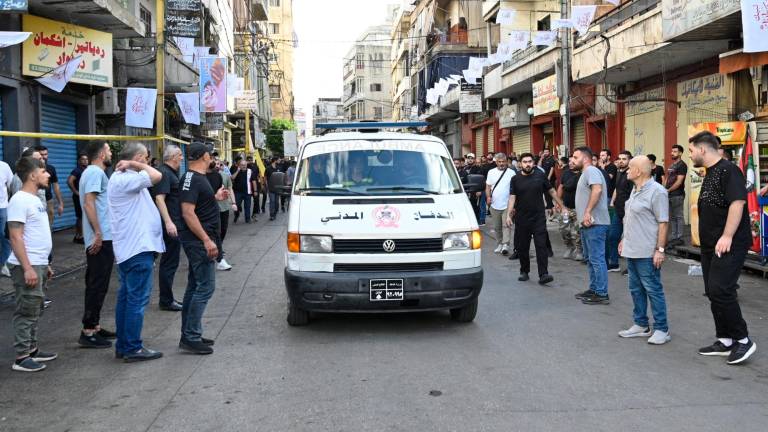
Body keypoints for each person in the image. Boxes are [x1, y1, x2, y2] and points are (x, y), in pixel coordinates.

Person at [688, 131, 756, 365]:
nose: (690, 155)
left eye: (691, 150)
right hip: (710, 245)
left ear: (702, 149)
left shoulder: (729, 170)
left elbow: (738, 203)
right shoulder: (710, 172)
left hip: (729, 243)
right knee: (712, 290)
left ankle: (743, 339)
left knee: (721, 290)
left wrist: (727, 236)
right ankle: (725, 339)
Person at [108, 142, 164, 362]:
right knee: (136, 300)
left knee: (127, 298)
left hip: (130, 249)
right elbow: (157, 176)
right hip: (137, 249)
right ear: (140, 158)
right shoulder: (127, 178)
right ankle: (132, 347)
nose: (148, 162)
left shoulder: (121, 179)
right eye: (146, 158)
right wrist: (134, 163)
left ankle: (124, 344)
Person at [178, 143, 229, 355]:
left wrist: (214, 198)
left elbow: (196, 205)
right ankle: (191, 336)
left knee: (194, 286)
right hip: (200, 241)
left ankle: (190, 334)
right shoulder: (192, 179)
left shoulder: (194, 178)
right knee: (205, 287)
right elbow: (188, 213)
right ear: (204, 156)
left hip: (200, 239)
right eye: (210, 154)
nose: (212, 157)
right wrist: (207, 240)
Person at [7, 157, 56, 372]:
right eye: (43, 171)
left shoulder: (35, 199)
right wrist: (27, 267)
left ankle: (32, 350)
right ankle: (21, 357)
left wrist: (45, 265)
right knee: (27, 309)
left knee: (35, 308)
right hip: (27, 265)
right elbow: (15, 236)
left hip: (39, 262)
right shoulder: (19, 200)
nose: (48, 174)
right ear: (32, 175)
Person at [618, 156, 670, 345]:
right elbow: (630, 217)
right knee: (635, 288)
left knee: (653, 289)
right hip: (632, 249)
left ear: (638, 171)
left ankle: (662, 329)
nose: (627, 170)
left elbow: (663, 222)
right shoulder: (635, 189)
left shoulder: (657, 192)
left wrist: (660, 250)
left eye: (630, 167)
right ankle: (641, 324)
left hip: (647, 251)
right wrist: (624, 239)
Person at [78, 142, 116, 349]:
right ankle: (88, 331)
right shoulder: (94, 172)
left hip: (104, 237)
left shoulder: (95, 172)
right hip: (101, 239)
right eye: (109, 150)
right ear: (102, 154)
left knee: (99, 284)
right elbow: (88, 203)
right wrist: (98, 233)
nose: (111, 153)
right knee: (97, 285)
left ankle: (95, 325)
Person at [505, 153, 562, 284]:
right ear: (520, 164)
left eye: (530, 161)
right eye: (524, 162)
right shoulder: (515, 179)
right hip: (522, 218)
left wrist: (561, 205)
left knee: (541, 246)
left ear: (533, 163)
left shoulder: (540, 176)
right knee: (522, 247)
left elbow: (551, 191)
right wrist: (509, 215)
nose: (527, 164)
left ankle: (544, 274)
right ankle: (524, 271)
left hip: (538, 218)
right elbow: (512, 197)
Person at [572, 147, 611, 305]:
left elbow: (597, 189)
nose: (572, 160)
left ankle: (601, 293)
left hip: (596, 223)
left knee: (597, 259)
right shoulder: (585, 173)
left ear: (585, 159)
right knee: (590, 259)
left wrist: (587, 212)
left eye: (575, 157)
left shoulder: (591, 171)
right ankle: (594, 288)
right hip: (587, 224)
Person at [153, 145, 184, 312]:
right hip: (170, 225)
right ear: (172, 156)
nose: (182, 158)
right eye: (180, 155)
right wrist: (168, 222)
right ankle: (166, 300)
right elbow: (159, 198)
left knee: (171, 262)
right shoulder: (164, 173)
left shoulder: (170, 173)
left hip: (175, 223)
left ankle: (167, 298)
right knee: (169, 263)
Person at [207, 159, 237, 271]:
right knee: (215, 232)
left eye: (220, 164)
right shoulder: (202, 176)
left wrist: (233, 202)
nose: (218, 165)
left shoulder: (222, 176)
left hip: (223, 207)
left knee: (222, 230)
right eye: (216, 163)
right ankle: (218, 256)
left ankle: (218, 250)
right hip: (211, 210)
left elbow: (229, 189)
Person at [607, 151, 633, 273]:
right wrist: (612, 201)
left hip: (630, 213)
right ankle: (614, 263)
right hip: (618, 211)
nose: (621, 161)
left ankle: (632, 268)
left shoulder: (631, 174)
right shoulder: (619, 172)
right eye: (620, 158)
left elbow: (634, 194)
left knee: (630, 240)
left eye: (624, 159)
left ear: (630, 160)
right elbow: (617, 190)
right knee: (613, 236)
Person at [485, 153, 514, 255]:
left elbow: (515, 190)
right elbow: (488, 187)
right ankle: (499, 244)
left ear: (506, 162)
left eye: (503, 162)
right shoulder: (491, 172)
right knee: (497, 226)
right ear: (496, 162)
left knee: (506, 225)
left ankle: (506, 244)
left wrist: (514, 205)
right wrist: (488, 197)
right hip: (494, 204)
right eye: (499, 162)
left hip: (507, 204)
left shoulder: (511, 173)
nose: (501, 164)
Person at [558, 156, 582, 261]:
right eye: (570, 162)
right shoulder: (566, 173)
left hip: (578, 208)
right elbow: (560, 187)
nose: (571, 163)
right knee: (563, 229)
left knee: (577, 232)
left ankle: (579, 250)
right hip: (565, 208)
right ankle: (569, 247)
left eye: (574, 161)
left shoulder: (583, 174)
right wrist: (558, 203)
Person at [33, 145, 64, 228]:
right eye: (41, 155)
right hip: (35, 200)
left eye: (45, 154)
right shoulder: (31, 169)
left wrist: (60, 203)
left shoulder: (51, 168)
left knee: (49, 222)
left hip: (48, 200)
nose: (44, 157)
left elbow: (56, 186)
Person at [665, 144, 688, 247]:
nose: (672, 153)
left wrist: (668, 190)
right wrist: (663, 189)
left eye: (675, 151)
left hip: (677, 194)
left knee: (678, 216)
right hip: (669, 194)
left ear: (680, 153)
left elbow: (679, 182)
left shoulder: (682, 165)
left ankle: (679, 237)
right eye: (672, 151)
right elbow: (667, 178)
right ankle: (674, 237)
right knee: (673, 217)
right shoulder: (672, 165)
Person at [67, 154, 88, 244]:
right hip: (78, 197)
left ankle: (78, 236)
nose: (85, 161)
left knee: (83, 216)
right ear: (79, 161)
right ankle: (80, 236)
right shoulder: (77, 170)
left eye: (86, 159)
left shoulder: (87, 170)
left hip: (85, 196)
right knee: (80, 216)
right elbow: (69, 181)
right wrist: (75, 191)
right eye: (83, 159)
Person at [0, 156, 14, 278]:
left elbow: (12, 186)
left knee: (5, 236)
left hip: (3, 207)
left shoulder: (4, 166)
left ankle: (3, 264)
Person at [231, 159, 256, 224]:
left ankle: (247, 219)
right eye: (242, 165)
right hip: (237, 192)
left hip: (247, 192)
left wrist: (255, 190)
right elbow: (232, 178)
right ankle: (236, 215)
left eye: (245, 165)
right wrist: (237, 171)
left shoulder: (250, 171)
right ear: (239, 165)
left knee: (247, 206)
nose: (244, 166)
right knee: (237, 205)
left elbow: (253, 181)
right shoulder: (236, 170)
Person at [464, 153, 483, 224]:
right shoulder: (465, 168)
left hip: (475, 191)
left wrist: (479, 190)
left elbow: (481, 180)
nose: (470, 160)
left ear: (474, 160)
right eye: (469, 158)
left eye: (472, 158)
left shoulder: (478, 168)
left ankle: (477, 222)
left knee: (475, 207)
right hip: (466, 191)